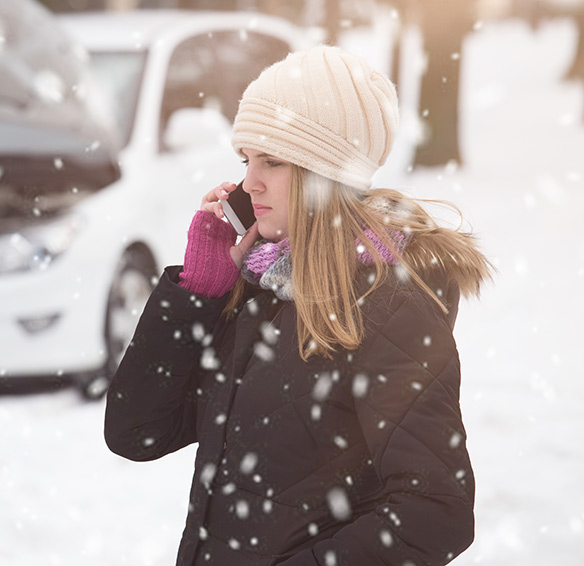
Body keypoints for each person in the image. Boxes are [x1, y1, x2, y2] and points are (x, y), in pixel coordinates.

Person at [103, 45, 492, 566]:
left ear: (324, 173)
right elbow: (135, 431)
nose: (249, 183)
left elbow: (434, 512)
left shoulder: (388, 304)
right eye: (246, 161)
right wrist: (198, 288)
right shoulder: (257, 289)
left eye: (273, 161)